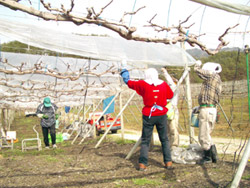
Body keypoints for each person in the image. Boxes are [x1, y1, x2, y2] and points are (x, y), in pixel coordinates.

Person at [120, 67, 174, 171]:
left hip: (149, 114)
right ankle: (168, 162)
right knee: (164, 139)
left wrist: (124, 71)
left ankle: (143, 164)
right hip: (161, 114)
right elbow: (170, 95)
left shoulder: (142, 84)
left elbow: (128, 82)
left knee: (145, 140)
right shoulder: (163, 84)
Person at [194, 61, 222, 164]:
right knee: (207, 133)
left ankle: (207, 157)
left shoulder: (212, 76)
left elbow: (198, 71)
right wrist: (200, 106)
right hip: (208, 108)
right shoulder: (214, 79)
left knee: (203, 135)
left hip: (207, 110)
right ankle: (214, 156)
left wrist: (197, 65)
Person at [162, 68, 180, 150]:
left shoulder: (174, 88)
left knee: (173, 129)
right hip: (166, 111)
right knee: (167, 130)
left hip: (172, 111)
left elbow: (171, 83)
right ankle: (168, 145)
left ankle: (174, 145)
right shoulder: (166, 90)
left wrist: (165, 73)